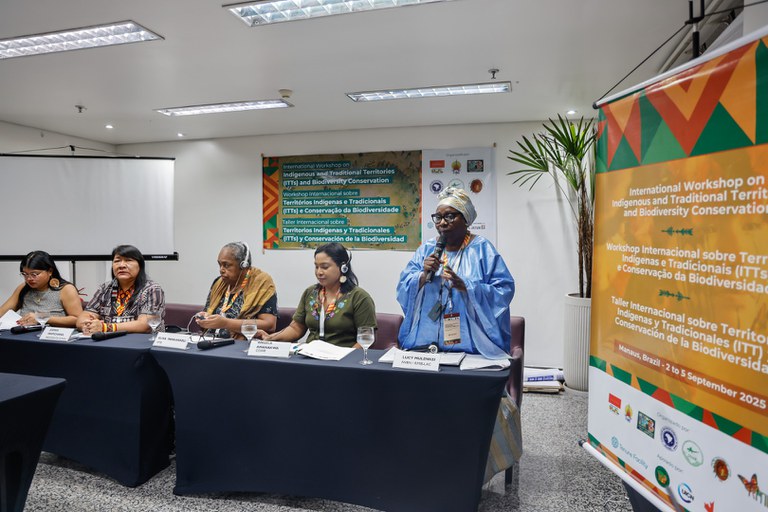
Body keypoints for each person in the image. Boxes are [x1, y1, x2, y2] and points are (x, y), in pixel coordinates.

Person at [397, 187, 515, 358]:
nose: (442, 223)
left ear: (465, 218)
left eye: (450, 216)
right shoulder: (427, 249)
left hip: (473, 348)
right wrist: (422, 276)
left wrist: (468, 287)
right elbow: (403, 286)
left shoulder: (482, 249)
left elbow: (504, 290)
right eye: (438, 218)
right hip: (426, 346)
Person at [257, 242, 376, 348]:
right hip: (311, 357)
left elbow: (365, 338)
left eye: (325, 267)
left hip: (342, 360)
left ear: (343, 267)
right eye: (316, 266)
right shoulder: (310, 293)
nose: (319, 272)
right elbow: (296, 328)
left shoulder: (359, 297)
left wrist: (344, 359)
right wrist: (271, 338)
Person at [195, 241, 278, 338]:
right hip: (211, 341)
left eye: (226, 265)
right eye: (220, 264)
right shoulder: (219, 283)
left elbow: (269, 325)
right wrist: (205, 318)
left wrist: (226, 323)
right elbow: (208, 312)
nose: (221, 270)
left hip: (243, 344)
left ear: (243, 265)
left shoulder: (261, 283)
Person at [77, 245, 165, 335]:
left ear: (140, 265)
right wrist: (89, 324)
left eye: (128, 260)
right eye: (117, 261)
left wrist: (106, 327)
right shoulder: (105, 288)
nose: (121, 265)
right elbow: (83, 317)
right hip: (109, 340)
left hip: (143, 342)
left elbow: (145, 325)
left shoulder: (152, 289)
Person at [0, 250, 83, 327]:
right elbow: (2, 313)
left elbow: (78, 319)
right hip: (23, 336)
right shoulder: (23, 288)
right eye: (25, 274)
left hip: (53, 338)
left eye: (34, 274)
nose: (29, 278)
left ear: (50, 271)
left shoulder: (65, 289)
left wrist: (41, 317)